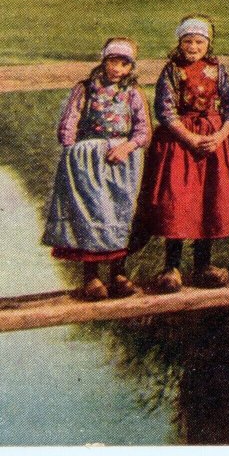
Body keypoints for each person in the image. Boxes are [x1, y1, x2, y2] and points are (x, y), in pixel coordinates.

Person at [42, 38, 151, 301]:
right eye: (113, 61)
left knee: (120, 211)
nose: (117, 69)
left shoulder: (133, 93)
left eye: (124, 64)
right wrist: (73, 152)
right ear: (104, 61)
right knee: (90, 211)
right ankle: (91, 277)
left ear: (130, 67)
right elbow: (69, 123)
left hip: (122, 161)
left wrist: (127, 147)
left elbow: (143, 130)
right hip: (88, 160)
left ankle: (118, 274)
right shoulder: (86, 89)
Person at [138, 16, 229, 293]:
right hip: (180, 141)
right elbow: (165, 110)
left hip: (213, 141)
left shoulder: (217, 70)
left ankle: (203, 265)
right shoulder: (172, 70)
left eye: (199, 42)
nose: (193, 47)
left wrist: (219, 135)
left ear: (208, 44)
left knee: (208, 200)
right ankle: (171, 267)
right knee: (179, 202)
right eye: (188, 41)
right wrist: (190, 137)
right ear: (179, 43)